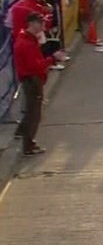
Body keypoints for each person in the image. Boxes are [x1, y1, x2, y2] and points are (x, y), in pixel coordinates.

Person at [15, 12, 67, 156]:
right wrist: (53, 59)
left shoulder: (26, 39)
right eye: (41, 23)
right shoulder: (27, 43)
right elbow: (35, 66)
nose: (44, 26)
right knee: (34, 114)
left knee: (31, 111)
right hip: (32, 81)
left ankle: (22, 134)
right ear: (32, 24)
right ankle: (28, 145)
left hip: (30, 80)